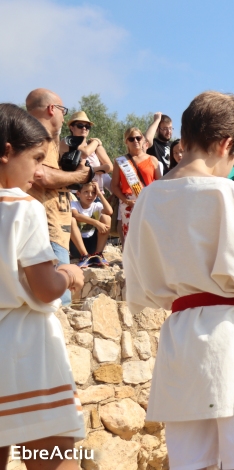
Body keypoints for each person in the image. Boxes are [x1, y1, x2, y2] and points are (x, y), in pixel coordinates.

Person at [124, 92, 234, 470]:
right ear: (226, 145)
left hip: (180, 335)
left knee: (191, 461)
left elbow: (139, 278)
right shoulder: (225, 192)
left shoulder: (148, 198)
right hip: (230, 335)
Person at [0, 103, 86, 469]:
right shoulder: (22, 207)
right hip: (26, 347)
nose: (38, 172)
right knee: (53, 455)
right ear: (6, 152)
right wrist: (69, 274)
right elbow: (44, 288)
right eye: (36, 159)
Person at [25, 88, 92, 307]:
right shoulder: (35, 135)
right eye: (64, 111)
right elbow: (40, 175)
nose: (65, 117)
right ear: (52, 109)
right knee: (57, 308)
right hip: (47, 232)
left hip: (56, 231)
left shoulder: (47, 140)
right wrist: (80, 175)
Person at [110, 127, 162, 243]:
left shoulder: (153, 160)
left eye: (138, 138)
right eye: (131, 139)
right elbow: (114, 186)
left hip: (149, 201)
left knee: (149, 234)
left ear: (143, 139)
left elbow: (160, 184)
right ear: (126, 142)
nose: (135, 141)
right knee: (131, 237)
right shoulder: (120, 161)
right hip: (128, 203)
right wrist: (126, 201)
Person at [60, 111, 113, 190]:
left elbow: (110, 167)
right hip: (74, 192)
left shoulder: (94, 146)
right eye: (80, 125)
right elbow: (85, 153)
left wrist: (88, 170)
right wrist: (97, 141)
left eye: (87, 126)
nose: (84, 128)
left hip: (95, 193)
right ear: (71, 127)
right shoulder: (67, 141)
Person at [70, 182, 113, 267]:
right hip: (77, 246)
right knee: (71, 220)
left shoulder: (97, 205)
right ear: (78, 194)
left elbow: (110, 211)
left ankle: (98, 255)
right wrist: (96, 222)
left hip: (93, 243)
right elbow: (76, 215)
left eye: (93, 192)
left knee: (106, 218)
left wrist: (100, 194)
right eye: (86, 192)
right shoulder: (74, 204)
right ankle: (84, 256)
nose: (90, 195)